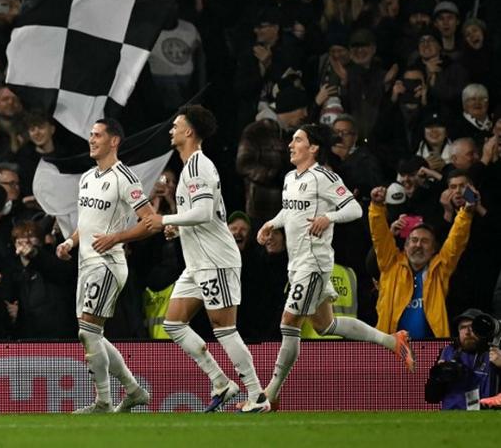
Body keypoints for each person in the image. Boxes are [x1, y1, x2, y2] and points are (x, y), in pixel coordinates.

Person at [256, 123, 415, 409]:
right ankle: (393, 341)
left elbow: (353, 208)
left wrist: (328, 217)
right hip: (297, 263)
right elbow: (290, 210)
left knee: (288, 322)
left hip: (314, 263)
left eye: (297, 140)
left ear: (313, 147)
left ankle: (271, 393)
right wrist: (271, 223)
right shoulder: (291, 177)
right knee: (325, 325)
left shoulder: (324, 176)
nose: (291, 145)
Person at [144, 105, 269, 413]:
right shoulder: (189, 168)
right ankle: (221, 382)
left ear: (189, 131)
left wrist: (164, 219)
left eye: (176, 125)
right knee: (173, 324)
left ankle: (256, 394)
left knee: (224, 328)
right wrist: (177, 226)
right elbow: (201, 215)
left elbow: (201, 212)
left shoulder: (200, 166)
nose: (171, 130)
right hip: (197, 262)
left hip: (216, 259)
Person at [55, 118, 154, 413]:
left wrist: (117, 238)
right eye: (90, 135)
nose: (92, 140)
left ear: (114, 141)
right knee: (92, 333)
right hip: (85, 263)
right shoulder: (87, 177)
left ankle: (103, 401)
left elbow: (150, 221)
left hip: (108, 264)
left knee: (87, 332)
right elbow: (86, 223)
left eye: (98, 135)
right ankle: (134, 390)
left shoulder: (125, 178)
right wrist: (70, 242)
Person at [368, 184, 473, 339]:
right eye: (414, 240)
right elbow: (379, 237)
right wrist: (377, 207)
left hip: (431, 349)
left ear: (433, 249)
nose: (418, 245)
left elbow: (456, 241)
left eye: (425, 241)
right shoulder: (390, 264)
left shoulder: (440, 269)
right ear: (405, 245)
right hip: (391, 349)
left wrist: (466, 212)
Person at [424, 308, 501, 410]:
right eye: (463, 327)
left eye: (472, 327)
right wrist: (438, 379)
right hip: (452, 417)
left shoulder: (495, 353)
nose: (467, 332)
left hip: (485, 415)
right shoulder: (448, 352)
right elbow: (431, 397)